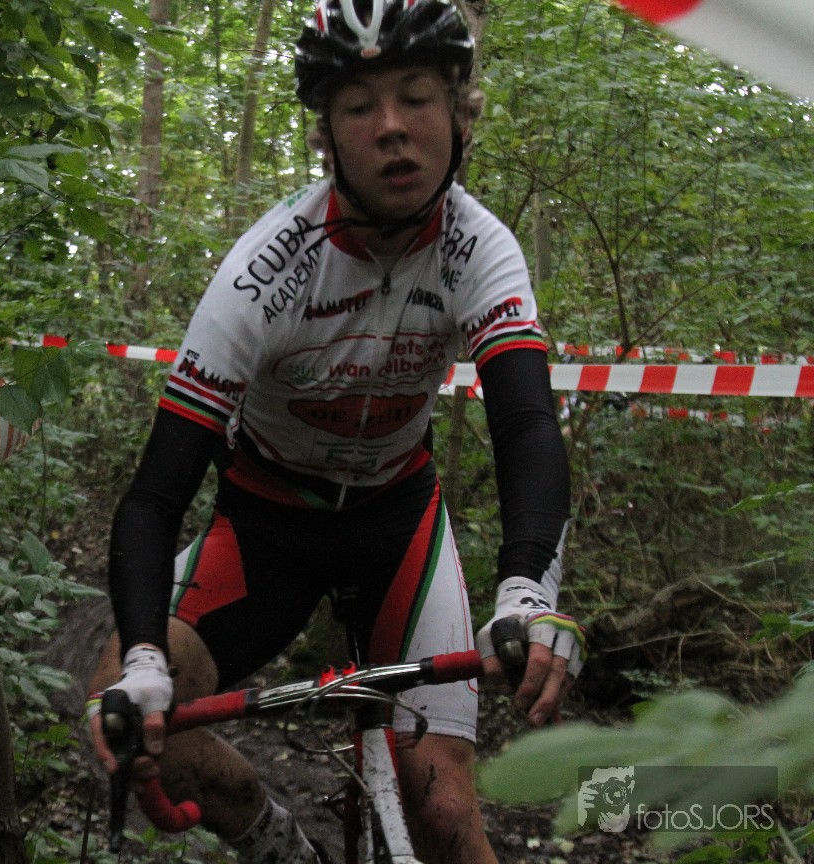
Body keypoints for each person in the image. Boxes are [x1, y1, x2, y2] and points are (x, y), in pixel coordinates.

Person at [85, 0, 587, 861]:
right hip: (265, 529)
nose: (391, 127)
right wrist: (141, 664)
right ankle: (274, 841)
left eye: (416, 97)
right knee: (124, 711)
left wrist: (527, 596)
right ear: (326, 138)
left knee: (444, 813)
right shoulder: (266, 268)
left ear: (460, 114)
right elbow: (154, 496)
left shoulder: (479, 248)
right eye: (359, 106)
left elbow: (527, 425)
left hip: (396, 525)